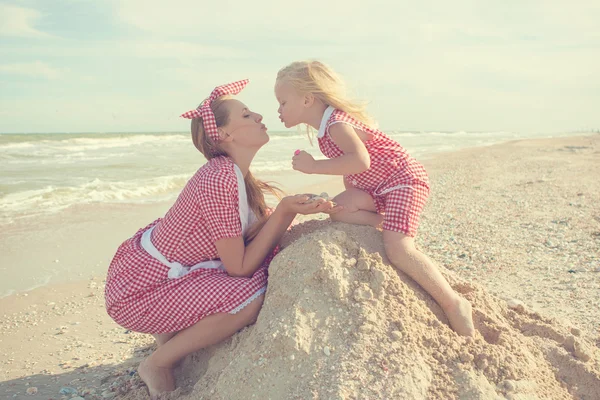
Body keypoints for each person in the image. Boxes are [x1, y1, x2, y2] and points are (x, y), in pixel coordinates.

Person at [104, 80, 336, 397]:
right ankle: (157, 362)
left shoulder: (236, 175)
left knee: (260, 265)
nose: (257, 115)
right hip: (141, 289)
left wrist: (287, 210)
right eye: (245, 115)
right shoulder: (220, 176)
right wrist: (284, 212)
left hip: (160, 272)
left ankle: (169, 335)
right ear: (224, 135)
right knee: (250, 294)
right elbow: (238, 267)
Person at [274, 61, 475, 337]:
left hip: (402, 181)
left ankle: (454, 304)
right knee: (339, 209)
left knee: (399, 249)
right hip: (378, 188)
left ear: (307, 99)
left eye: (283, 102)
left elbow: (360, 160)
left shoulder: (336, 124)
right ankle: (386, 220)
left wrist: (314, 167)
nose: (278, 110)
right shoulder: (325, 129)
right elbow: (352, 170)